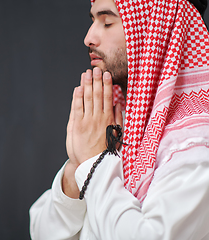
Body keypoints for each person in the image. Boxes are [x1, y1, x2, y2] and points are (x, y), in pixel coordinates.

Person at [29, 0, 209, 239]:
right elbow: (41, 231)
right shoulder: (118, 125)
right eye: (93, 20)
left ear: (154, 30)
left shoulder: (196, 148)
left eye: (107, 22)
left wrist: (94, 164)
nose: (89, 38)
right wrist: (76, 170)